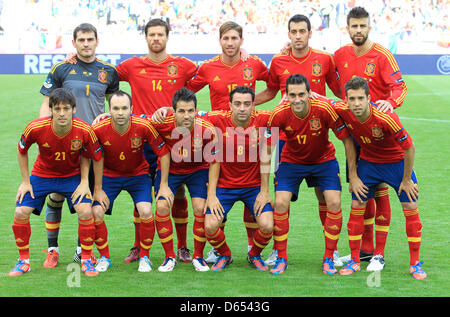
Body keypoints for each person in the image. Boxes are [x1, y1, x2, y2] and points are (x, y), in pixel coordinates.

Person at [255, 14, 343, 266]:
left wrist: (363, 103)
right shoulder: (279, 60)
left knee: (324, 197)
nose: (297, 35)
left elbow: (338, 91)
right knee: (282, 199)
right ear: (288, 33)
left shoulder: (325, 59)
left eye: (301, 31)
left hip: (318, 136)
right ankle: (277, 249)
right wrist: (247, 104)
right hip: (286, 139)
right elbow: (272, 91)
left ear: (309, 33)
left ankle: (332, 250)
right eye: (293, 31)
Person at [112, 19, 199, 263]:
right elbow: (103, 76)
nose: (156, 39)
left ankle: (182, 247)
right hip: (140, 140)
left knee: (178, 191)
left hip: (174, 140)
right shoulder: (131, 66)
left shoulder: (183, 65)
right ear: (146, 37)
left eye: (160, 34)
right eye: (152, 35)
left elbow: (212, 73)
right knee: (141, 193)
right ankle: (139, 246)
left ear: (167, 36)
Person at [185, 21, 270, 263]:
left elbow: (274, 87)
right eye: (226, 39)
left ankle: (253, 250)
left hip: (248, 133)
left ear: (241, 40)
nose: (230, 43)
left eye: (234, 38)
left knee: (250, 194)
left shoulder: (253, 63)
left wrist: (250, 106)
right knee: (219, 187)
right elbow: (187, 89)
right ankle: (220, 250)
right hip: (219, 134)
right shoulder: (209, 66)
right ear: (219, 40)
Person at [39, 23, 120, 267]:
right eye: (81, 40)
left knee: (86, 199)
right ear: (73, 43)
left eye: (90, 39)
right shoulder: (62, 68)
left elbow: (114, 105)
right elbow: (46, 105)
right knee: (55, 195)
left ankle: (80, 249)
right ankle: (52, 249)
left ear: (97, 42)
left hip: (93, 144)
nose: (86, 44)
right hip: (63, 143)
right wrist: (45, 135)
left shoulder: (108, 71)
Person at [333, 6, 408, 266]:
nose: (358, 30)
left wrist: (391, 102)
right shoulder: (340, 55)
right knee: (360, 191)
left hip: (379, 133)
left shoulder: (382, 55)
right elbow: (327, 77)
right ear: (348, 27)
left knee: (379, 192)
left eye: (362, 26)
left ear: (369, 27)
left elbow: (399, 87)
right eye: (354, 26)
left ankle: (379, 252)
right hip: (354, 131)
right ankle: (363, 250)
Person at [264, 74, 357, 275]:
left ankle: (329, 257)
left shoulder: (323, 109)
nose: (297, 99)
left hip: (323, 160)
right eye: (292, 95)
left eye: (301, 94)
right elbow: (266, 149)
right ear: (286, 95)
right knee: (280, 203)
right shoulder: (279, 113)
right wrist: (264, 189)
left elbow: (347, 140)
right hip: (291, 161)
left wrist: (354, 175)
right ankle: (281, 257)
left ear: (309, 94)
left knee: (333, 202)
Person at [334, 76, 425, 279]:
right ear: (346, 99)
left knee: (410, 205)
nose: (356, 103)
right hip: (369, 163)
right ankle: (355, 261)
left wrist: (407, 179)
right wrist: (354, 176)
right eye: (352, 99)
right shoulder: (343, 109)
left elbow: (409, 147)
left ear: (369, 97)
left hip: (396, 164)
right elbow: (324, 101)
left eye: (360, 98)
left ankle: (415, 263)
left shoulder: (386, 117)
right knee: (357, 202)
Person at [9, 88, 104, 277]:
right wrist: (25, 182)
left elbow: (96, 156)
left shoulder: (84, 130)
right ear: (50, 110)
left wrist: (87, 182)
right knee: (20, 211)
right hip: (42, 175)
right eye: (57, 109)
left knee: (85, 210)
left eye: (66, 108)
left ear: (73, 109)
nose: (62, 113)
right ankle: (23, 261)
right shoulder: (35, 128)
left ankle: (85, 259)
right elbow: (22, 150)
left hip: (71, 176)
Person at [91, 90, 172, 273]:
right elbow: (93, 157)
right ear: (109, 110)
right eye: (116, 108)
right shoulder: (97, 129)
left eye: (124, 108)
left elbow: (164, 152)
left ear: (132, 109)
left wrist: (164, 184)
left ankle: (144, 256)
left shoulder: (143, 126)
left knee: (145, 210)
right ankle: (104, 257)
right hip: (110, 176)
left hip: (138, 175)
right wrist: (97, 188)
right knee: (96, 212)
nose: (120, 113)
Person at [203, 86, 274, 272]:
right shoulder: (217, 119)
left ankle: (254, 255)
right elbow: (188, 113)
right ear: (230, 106)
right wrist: (168, 110)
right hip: (224, 187)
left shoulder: (265, 120)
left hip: (253, 187)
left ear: (253, 106)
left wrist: (265, 191)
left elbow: (290, 109)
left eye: (247, 104)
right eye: (237, 104)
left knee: (268, 225)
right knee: (210, 226)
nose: (242, 108)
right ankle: (225, 254)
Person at [150, 87, 218, 272]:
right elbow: (135, 121)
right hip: (171, 171)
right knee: (162, 205)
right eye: (181, 111)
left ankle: (198, 256)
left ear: (196, 111)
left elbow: (214, 162)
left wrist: (211, 194)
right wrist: (107, 115)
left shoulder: (207, 129)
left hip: (198, 170)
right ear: (173, 111)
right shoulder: (162, 122)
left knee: (200, 207)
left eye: (190, 111)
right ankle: (169, 257)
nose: (186, 115)